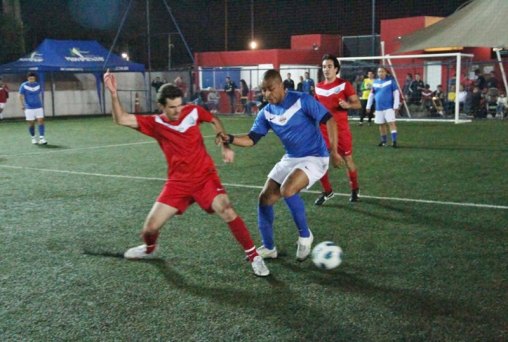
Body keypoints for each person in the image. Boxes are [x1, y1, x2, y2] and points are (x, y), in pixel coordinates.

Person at [103, 70, 269, 277]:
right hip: (178, 183)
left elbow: (214, 119)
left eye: (179, 105)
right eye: (171, 107)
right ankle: (149, 248)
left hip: (204, 177)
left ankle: (254, 256)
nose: (177, 110)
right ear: (161, 106)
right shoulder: (155, 123)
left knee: (226, 209)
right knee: (149, 229)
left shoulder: (192, 111)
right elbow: (121, 119)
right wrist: (112, 93)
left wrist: (224, 143)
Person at [219, 69, 341, 261]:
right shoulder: (265, 113)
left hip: (315, 157)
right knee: (265, 198)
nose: (267, 94)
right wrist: (231, 138)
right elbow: (252, 139)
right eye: (263, 90)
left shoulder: (302, 100)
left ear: (282, 86)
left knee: (288, 189)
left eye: (271, 89)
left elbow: (330, 120)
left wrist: (334, 151)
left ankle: (305, 235)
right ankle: (269, 248)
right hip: (291, 158)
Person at [314, 54, 362, 204]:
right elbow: (316, 108)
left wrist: (348, 106)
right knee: (318, 161)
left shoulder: (344, 85)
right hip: (323, 130)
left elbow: (358, 104)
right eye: (324, 67)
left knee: (348, 159)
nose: (326, 69)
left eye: (329, 66)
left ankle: (355, 189)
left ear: (336, 69)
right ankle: (327, 191)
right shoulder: (318, 87)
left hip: (341, 131)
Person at [366, 66, 400, 148]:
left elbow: (396, 93)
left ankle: (394, 141)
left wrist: (396, 105)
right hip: (378, 108)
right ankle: (383, 141)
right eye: (379, 72)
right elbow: (371, 95)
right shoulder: (375, 83)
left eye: (382, 71)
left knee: (391, 123)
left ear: (386, 72)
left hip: (389, 107)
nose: (380, 73)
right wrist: (368, 105)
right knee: (381, 124)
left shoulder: (391, 82)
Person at [19, 72, 47, 145]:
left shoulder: (38, 85)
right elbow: (20, 95)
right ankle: (33, 137)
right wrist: (22, 105)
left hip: (38, 107)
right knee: (31, 124)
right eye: (30, 78)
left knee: (41, 121)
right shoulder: (24, 85)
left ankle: (42, 138)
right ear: (28, 78)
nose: (32, 80)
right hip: (29, 108)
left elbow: (40, 93)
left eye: (33, 78)